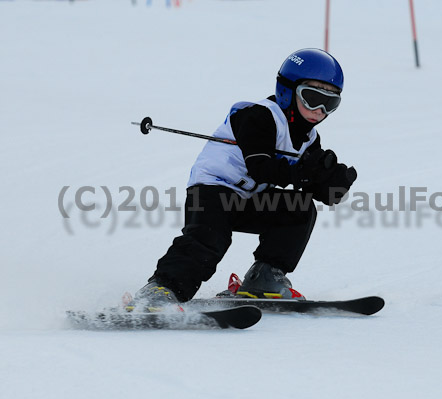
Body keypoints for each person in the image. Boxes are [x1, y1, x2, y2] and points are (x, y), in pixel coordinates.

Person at [129, 48, 357, 311]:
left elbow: (308, 180)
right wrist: (303, 173)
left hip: (249, 200)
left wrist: (330, 186)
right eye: (312, 97)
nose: (319, 110)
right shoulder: (259, 116)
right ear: (287, 89)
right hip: (213, 191)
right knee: (210, 239)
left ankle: (264, 278)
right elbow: (261, 168)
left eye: (330, 103)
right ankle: (162, 289)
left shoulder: (309, 138)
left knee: (300, 209)